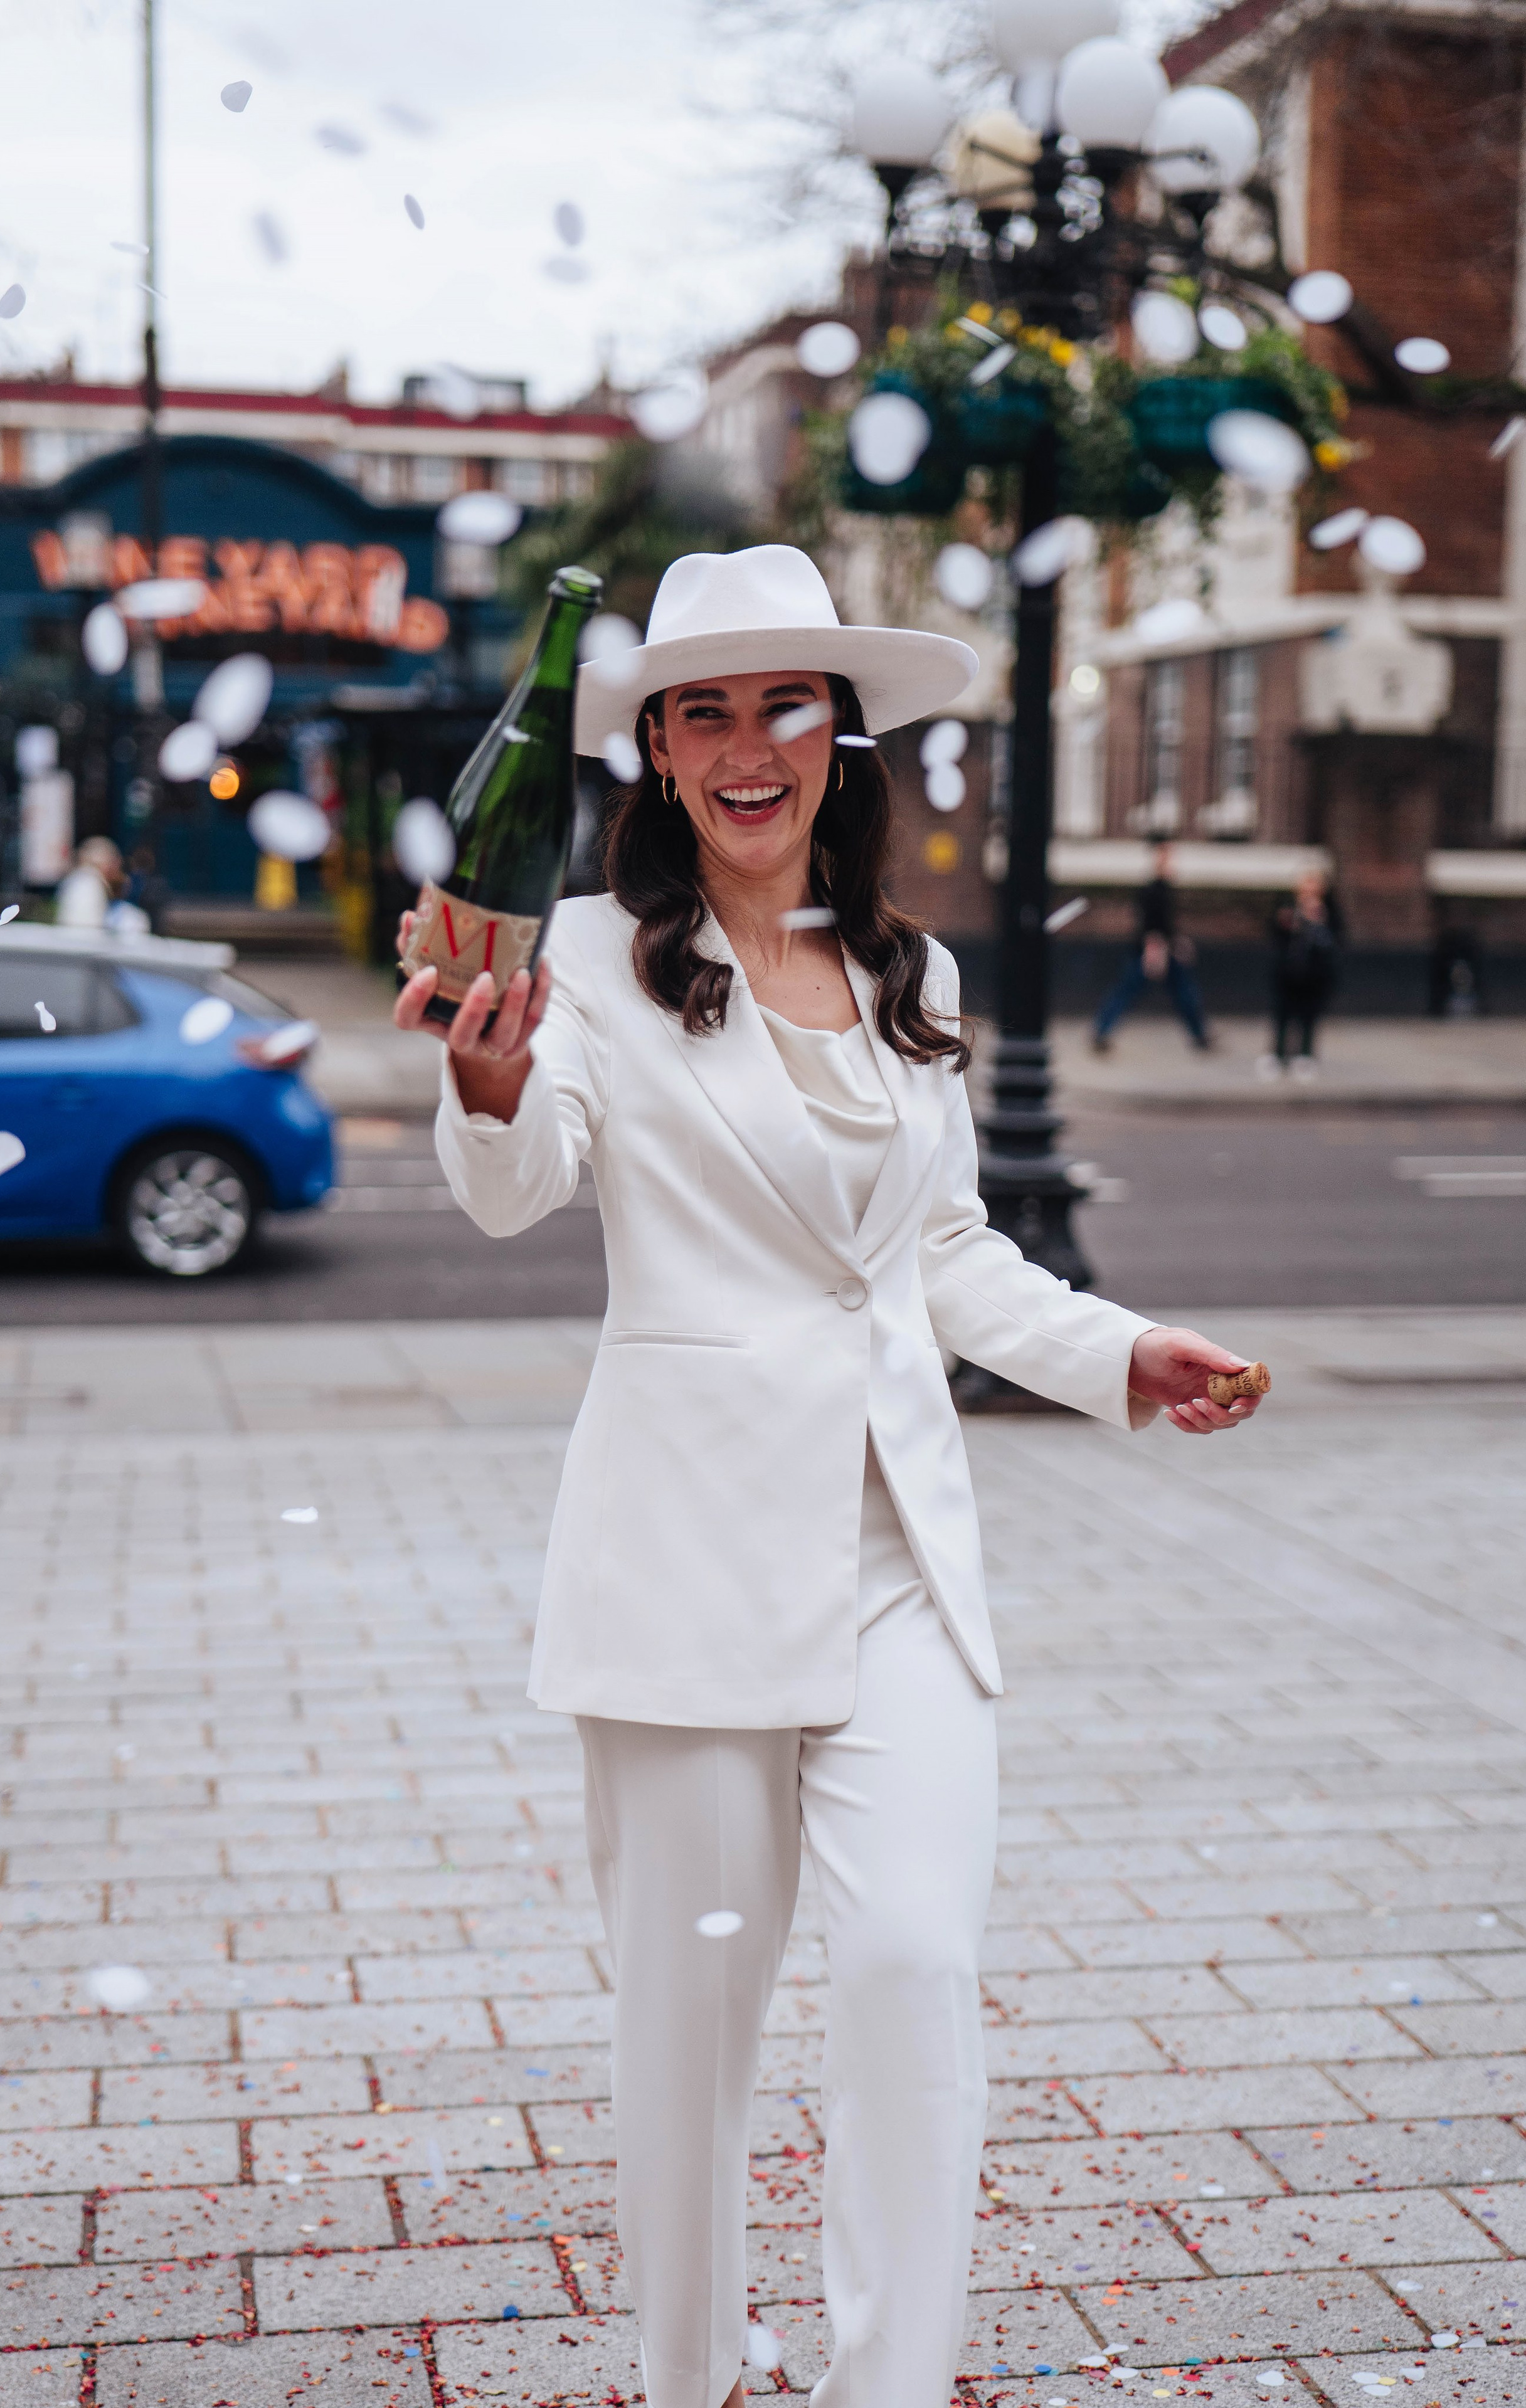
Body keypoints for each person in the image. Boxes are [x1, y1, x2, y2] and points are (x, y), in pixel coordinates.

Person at [394, 546, 1264, 2408]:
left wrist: (1119, 1349)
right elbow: (517, 1179)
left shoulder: (907, 971)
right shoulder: (582, 966)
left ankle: (893, 2379)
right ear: (649, 757)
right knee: (688, 2040)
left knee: (910, 1971)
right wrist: (481, 1081)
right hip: (687, 1571)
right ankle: (692, 2369)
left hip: (896, 1572)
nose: (741, 743)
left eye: (778, 700)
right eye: (696, 709)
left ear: (833, 738)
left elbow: (942, 1254)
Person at [1091, 841, 1211, 1052]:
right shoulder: (1152, 891)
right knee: (1130, 991)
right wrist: (1154, 950)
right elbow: (1150, 925)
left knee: (1183, 993)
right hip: (1152, 950)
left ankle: (1200, 1035)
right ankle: (1101, 1032)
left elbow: (1166, 925)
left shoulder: (1165, 890)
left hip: (1164, 950)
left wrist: (1177, 942)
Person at [1262, 870, 1342, 1080]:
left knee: (1309, 1018)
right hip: (1287, 976)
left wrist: (1318, 922)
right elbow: (1275, 935)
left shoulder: (1328, 913)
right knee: (1282, 1016)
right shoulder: (1288, 909)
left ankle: (1305, 1056)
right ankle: (1278, 1056)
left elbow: (1334, 941)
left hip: (1314, 978)